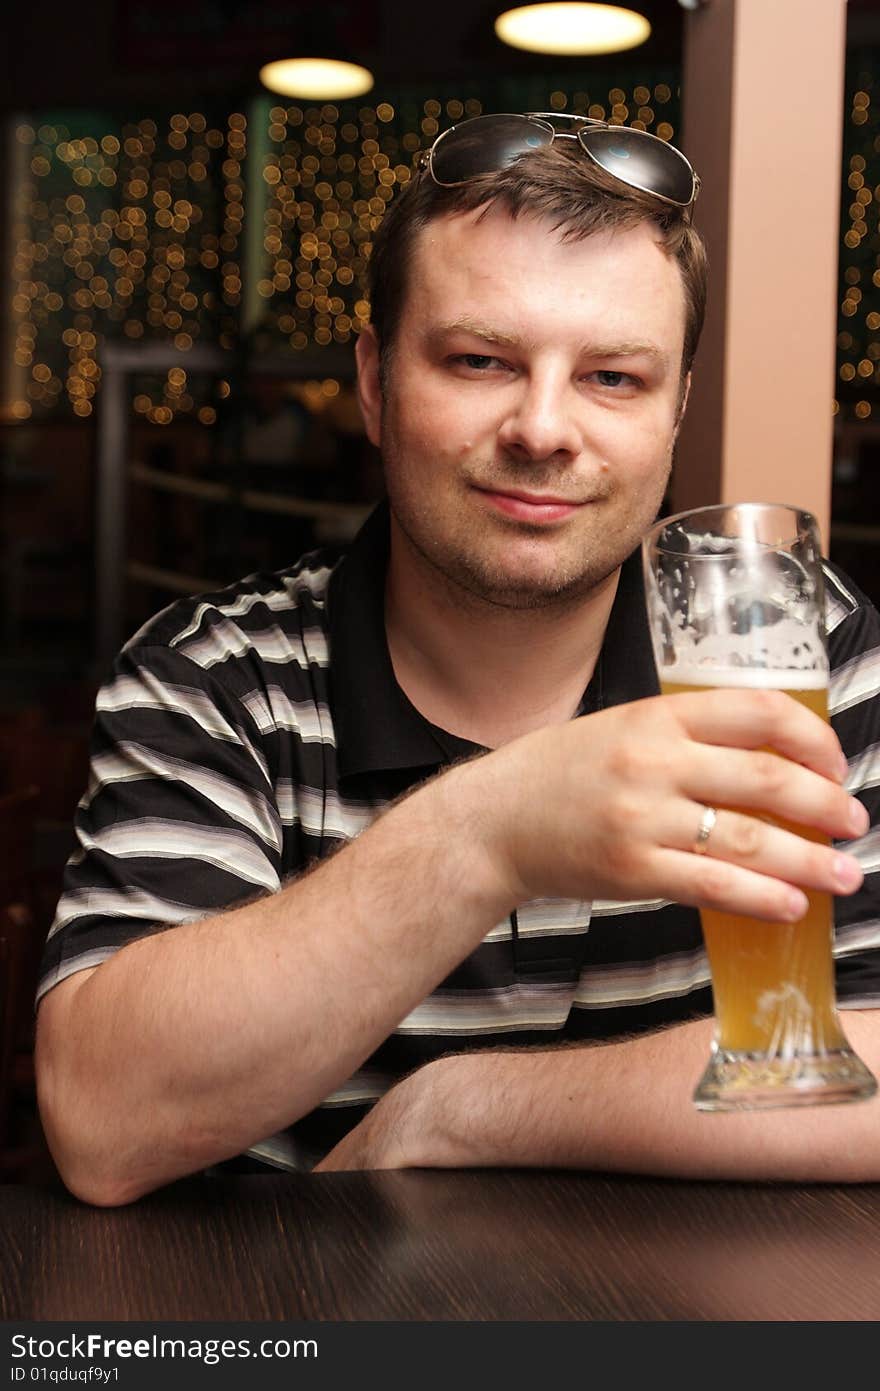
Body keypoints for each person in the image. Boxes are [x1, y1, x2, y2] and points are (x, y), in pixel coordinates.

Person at [35, 112, 880, 1206]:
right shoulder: (215, 677)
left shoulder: (797, 643)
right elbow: (104, 1123)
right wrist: (494, 830)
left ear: (677, 406)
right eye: (479, 360)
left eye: (612, 377)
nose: (542, 426)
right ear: (377, 383)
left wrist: (456, 1108)